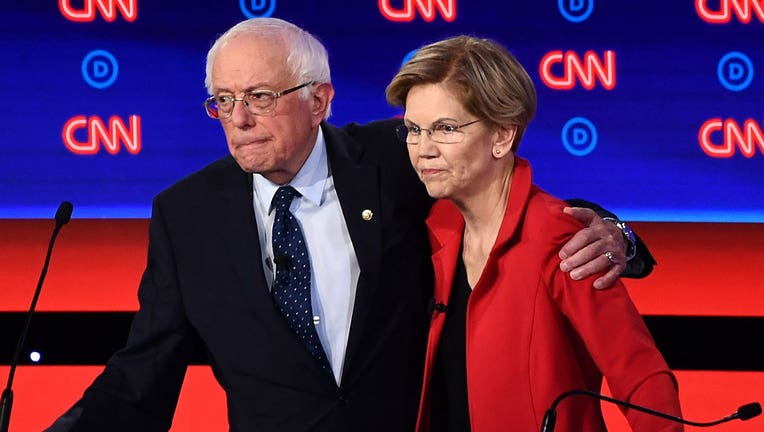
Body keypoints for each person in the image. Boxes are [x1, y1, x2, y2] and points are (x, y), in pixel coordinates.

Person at [46, 19, 650, 432]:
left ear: (320, 100)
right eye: (222, 100)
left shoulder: (397, 155)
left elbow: (500, 191)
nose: (238, 119)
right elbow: (142, 376)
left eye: (259, 95)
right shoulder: (186, 215)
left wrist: (614, 233)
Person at [385, 35, 681, 432]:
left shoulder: (557, 235)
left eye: (446, 128)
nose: (423, 149)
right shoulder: (437, 226)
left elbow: (641, 375)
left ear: (502, 136)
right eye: (413, 130)